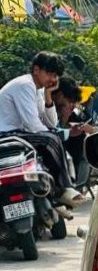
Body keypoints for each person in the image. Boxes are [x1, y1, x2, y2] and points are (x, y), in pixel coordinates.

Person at [0, 52, 83, 206]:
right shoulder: (25, 85)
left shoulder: (38, 90)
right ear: (36, 69)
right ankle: (63, 188)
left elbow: (51, 122)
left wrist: (48, 94)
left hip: (16, 134)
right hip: (6, 135)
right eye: (50, 74)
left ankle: (53, 191)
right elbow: (33, 124)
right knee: (51, 138)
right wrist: (50, 134)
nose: (53, 79)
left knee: (51, 135)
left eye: (56, 75)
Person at [50, 75, 96, 184]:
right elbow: (53, 132)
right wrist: (65, 119)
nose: (71, 105)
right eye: (70, 100)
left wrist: (83, 128)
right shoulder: (49, 105)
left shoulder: (68, 109)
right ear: (60, 95)